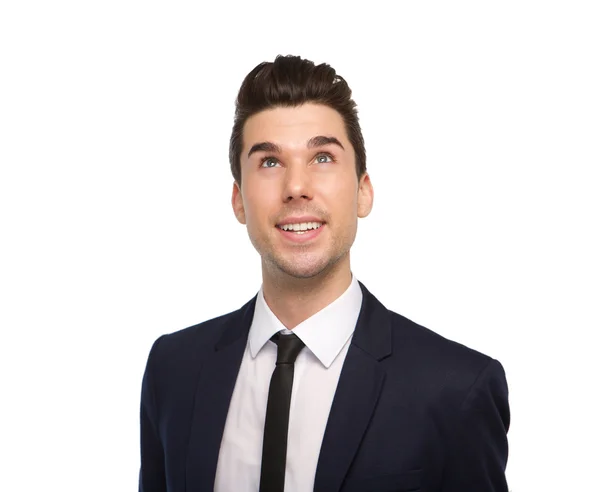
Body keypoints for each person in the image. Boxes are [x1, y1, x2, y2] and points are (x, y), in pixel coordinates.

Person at [138, 55, 510, 492]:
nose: (296, 186)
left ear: (363, 193)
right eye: (270, 162)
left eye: (323, 157)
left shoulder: (456, 388)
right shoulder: (173, 369)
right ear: (239, 200)